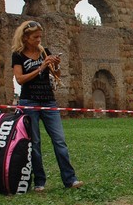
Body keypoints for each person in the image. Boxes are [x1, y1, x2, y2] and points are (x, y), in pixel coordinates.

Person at [11, 20, 83, 191]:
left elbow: (56, 75)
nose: (38, 40)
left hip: (48, 101)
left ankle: (70, 179)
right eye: (35, 37)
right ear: (26, 37)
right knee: (35, 143)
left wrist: (55, 65)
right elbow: (20, 80)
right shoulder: (18, 55)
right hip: (29, 102)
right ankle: (40, 182)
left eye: (40, 36)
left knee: (60, 141)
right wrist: (40, 67)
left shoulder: (44, 51)